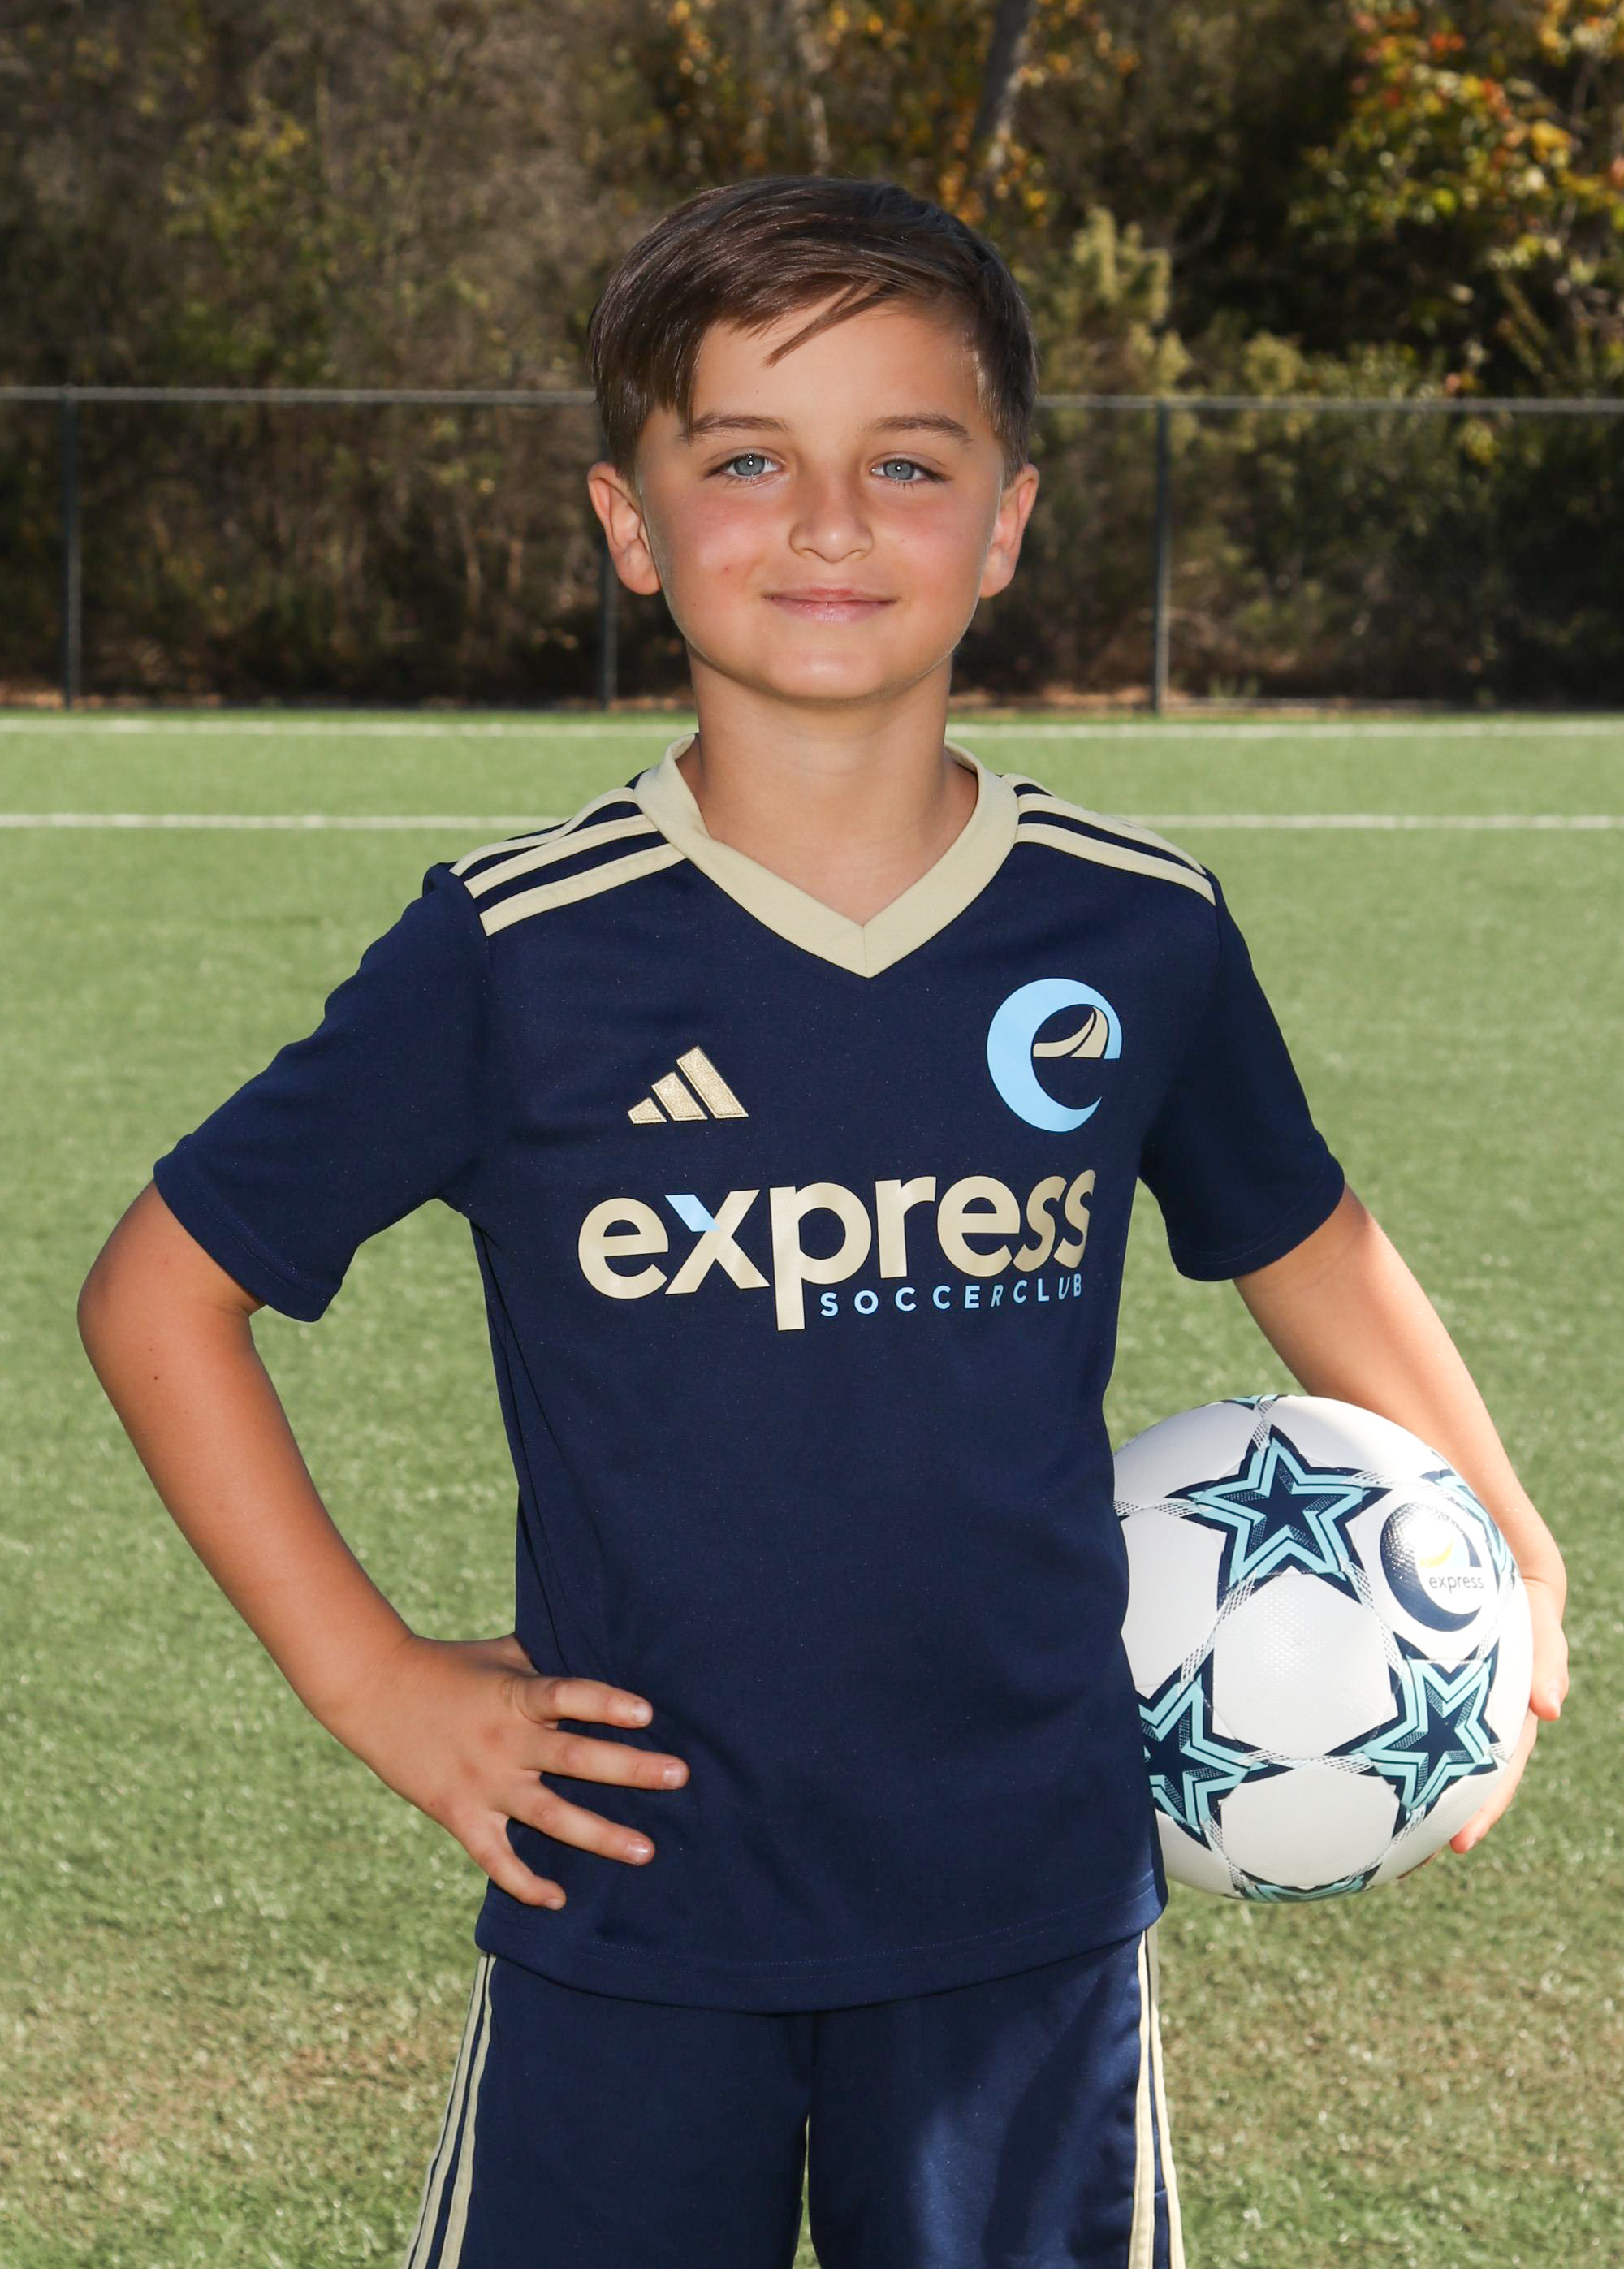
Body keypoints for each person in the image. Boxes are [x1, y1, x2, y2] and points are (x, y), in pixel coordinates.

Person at [77, 174, 1569, 2269]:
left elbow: (1305, 1240)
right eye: (750, 461)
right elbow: (160, 1294)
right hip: (631, 1898)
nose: (833, 523)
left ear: (1007, 524)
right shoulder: (520, 953)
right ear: (631, 523)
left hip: (1027, 1919)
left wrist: (1511, 1551)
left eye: (909, 463)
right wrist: (375, 1680)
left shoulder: (1135, 933)